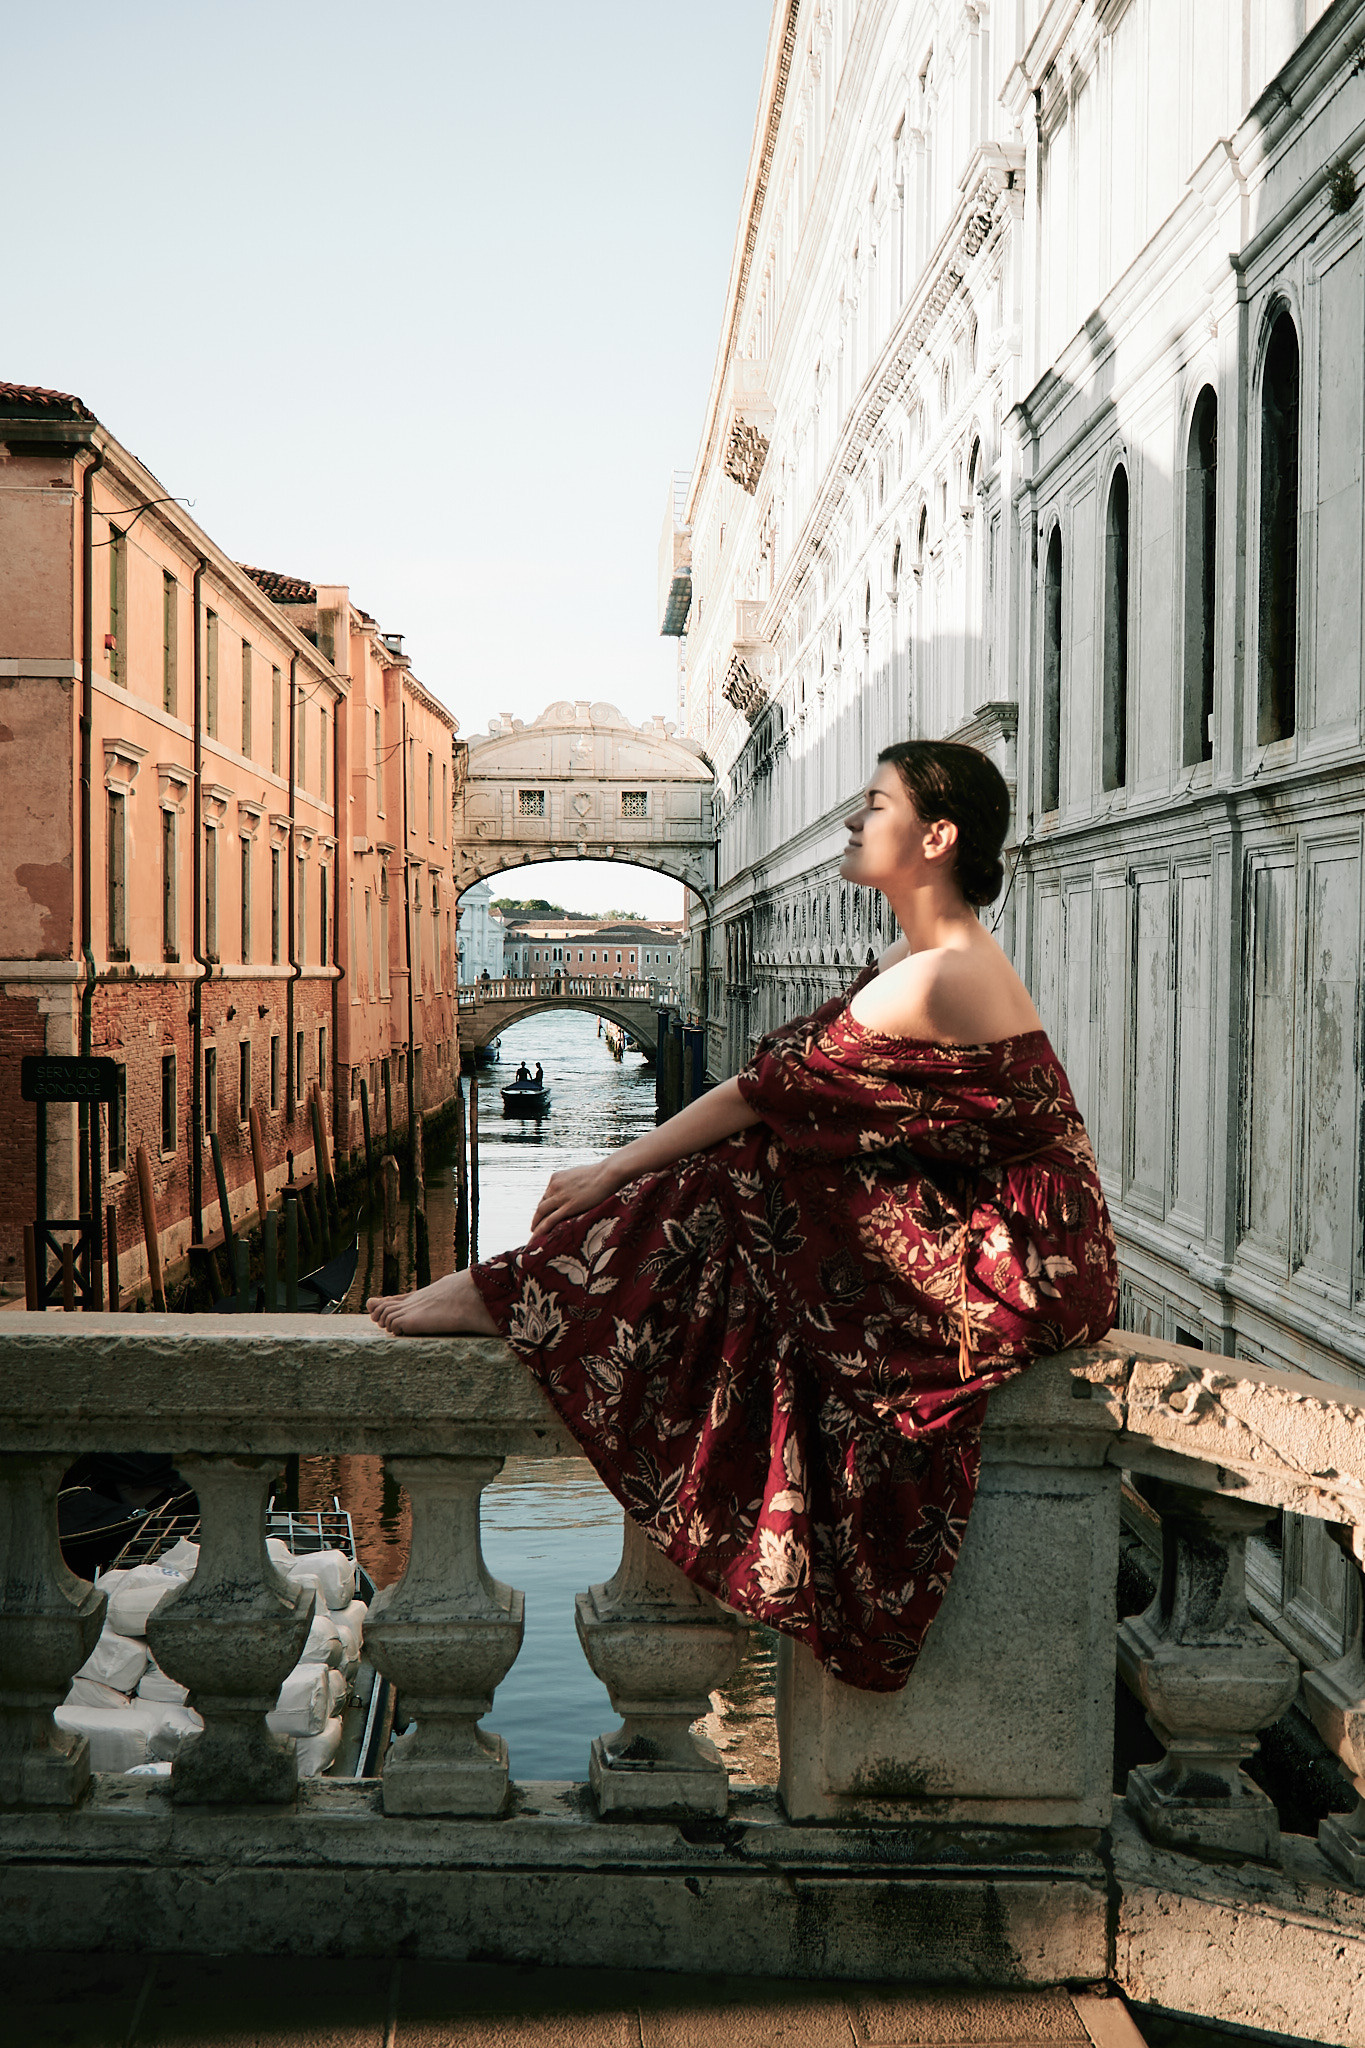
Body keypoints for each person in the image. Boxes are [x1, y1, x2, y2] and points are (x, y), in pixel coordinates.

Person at [368, 742, 1117, 1692]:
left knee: (746, 1167)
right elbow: (804, 1100)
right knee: (763, 1165)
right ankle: (519, 1291)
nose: (852, 821)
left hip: (1026, 1260)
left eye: (873, 804)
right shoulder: (915, 957)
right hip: (994, 1228)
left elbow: (762, 1093)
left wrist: (604, 1173)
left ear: (934, 837)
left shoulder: (936, 975)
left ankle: (510, 1292)